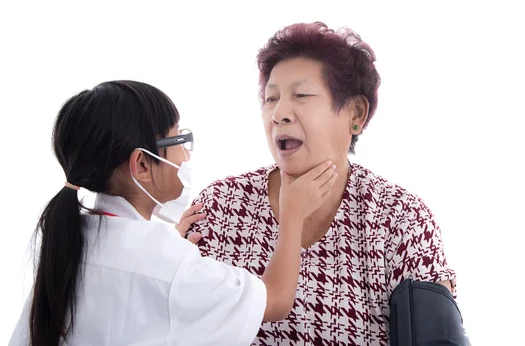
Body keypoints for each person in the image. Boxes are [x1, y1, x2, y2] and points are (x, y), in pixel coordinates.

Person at [9, 80, 336, 346]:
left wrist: (171, 255)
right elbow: (276, 300)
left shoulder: (67, 240)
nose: (184, 156)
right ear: (141, 165)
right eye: (178, 139)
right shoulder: (166, 263)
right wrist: (292, 213)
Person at [188, 22, 458, 345]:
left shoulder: (401, 219)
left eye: (301, 95)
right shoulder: (219, 208)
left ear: (355, 114)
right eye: (271, 99)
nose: (279, 114)